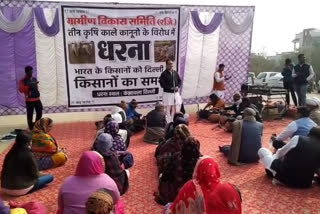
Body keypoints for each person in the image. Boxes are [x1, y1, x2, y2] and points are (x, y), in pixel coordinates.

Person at [165, 156, 242, 214]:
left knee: (168, 205)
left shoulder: (190, 186)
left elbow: (176, 206)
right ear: (216, 170)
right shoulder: (226, 191)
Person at [57, 151, 123, 214]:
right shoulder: (108, 181)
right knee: (119, 204)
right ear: (99, 163)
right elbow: (116, 199)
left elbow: (61, 206)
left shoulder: (67, 183)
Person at [1, 131, 54, 196]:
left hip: (5, 187)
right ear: (28, 142)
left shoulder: (10, 153)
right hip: (20, 188)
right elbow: (35, 174)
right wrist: (42, 175)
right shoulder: (28, 154)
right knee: (50, 177)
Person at [155, 136, 201, 205]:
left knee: (162, 176)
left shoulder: (176, 157)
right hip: (195, 197)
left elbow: (165, 174)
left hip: (175, 195)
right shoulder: (201, 162)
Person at [19, 66, 43, 130]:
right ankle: (31, 127)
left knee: (40, 111)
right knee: (30, 114)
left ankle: (36, 124)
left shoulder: (34, 79)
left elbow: (36, 88)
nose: (31, 73)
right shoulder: (23, 80)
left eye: (32, 71)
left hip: (37, 99)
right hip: (29, 100)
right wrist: (29, 86)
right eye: (30, 72)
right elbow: (21, 90)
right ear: (26, 72)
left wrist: (37, 91)